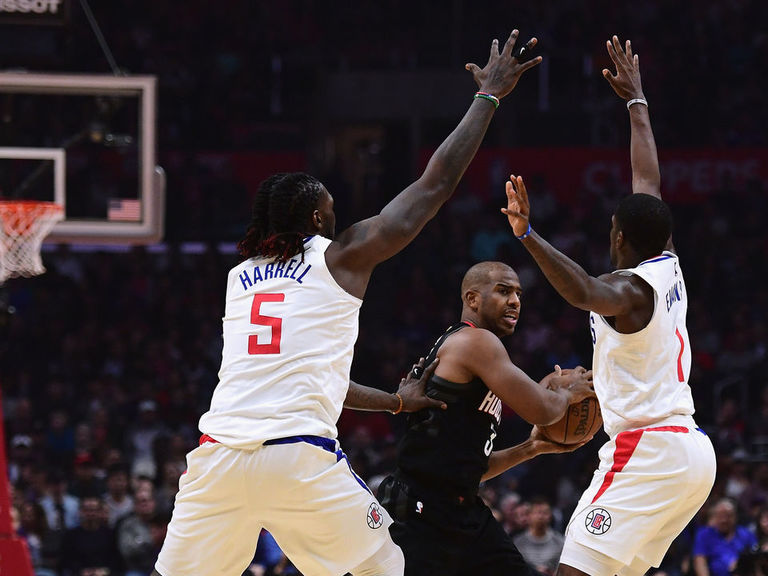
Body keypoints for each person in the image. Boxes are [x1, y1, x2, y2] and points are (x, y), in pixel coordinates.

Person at [153, 28, 543, 576]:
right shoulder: (340, 257)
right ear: (317, 218)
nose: (338, 215)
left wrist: (396, 403)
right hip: (297, 457)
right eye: (332, 207)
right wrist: (488, 98)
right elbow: (434, 187)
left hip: (216, 456)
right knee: (384, 568)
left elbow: (310, 378)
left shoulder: (240, 277)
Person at [501, 35, 717, 576]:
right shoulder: (666, 261)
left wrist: (528, 235)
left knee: (572, 569)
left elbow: (581, 290)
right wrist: (636, 104)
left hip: (647, 449)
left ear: (618, 236)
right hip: (688, 450)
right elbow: (648, 180)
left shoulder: (630, 290)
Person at [377, 260, 596, 576]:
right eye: (504, 291)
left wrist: (530, 448)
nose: (515, 301)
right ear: (472, 299)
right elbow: (543, 410)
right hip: (420, 514)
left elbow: (468, 470)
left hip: (461, 510)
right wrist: (567, 392)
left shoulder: (478, 354)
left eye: (519, 293)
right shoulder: (476, 342)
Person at [692, 498, 756, 576]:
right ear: (714, 517)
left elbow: (755, 558)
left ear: (735, 516)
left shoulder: (746, 534)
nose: (724, 520)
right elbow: (700, 562)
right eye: (720, 516)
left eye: (728, 516)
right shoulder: (704, 534)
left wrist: (741, 565)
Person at [514, 497, 566, 576]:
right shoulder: (517, 543)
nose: (541, 516)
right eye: (537, 512)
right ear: (529, 516)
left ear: (550, 516)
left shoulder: (560, 542)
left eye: (545, 513)